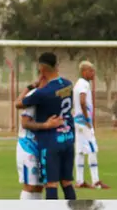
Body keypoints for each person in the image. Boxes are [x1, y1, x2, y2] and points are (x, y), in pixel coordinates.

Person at [16, 52, 77, 200]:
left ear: (41, 69)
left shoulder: (41, 94)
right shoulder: (68, 84)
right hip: (68, 138)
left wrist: (30, 87)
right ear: (57, 66)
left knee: (51, 183)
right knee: (67, 182)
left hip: (51, 142)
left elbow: (18, 103)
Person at [73, 61, 108, 189]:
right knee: (93, 149)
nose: (93, 73)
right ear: (84, 72)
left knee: (80, 151)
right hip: (84, 122)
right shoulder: (84, 84)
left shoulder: (77, 83)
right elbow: (82, 101)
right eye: (90, 71)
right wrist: (87, 118)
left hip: (77, 122)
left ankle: (80, 181)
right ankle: (96, 180)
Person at [16, 85, 44, 200]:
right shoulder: (35, 94)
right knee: (30, 185)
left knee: (39, 186)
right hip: (28, 145)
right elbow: (25, 122)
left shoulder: (51, 93)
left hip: (42, 146)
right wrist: (47, 125)